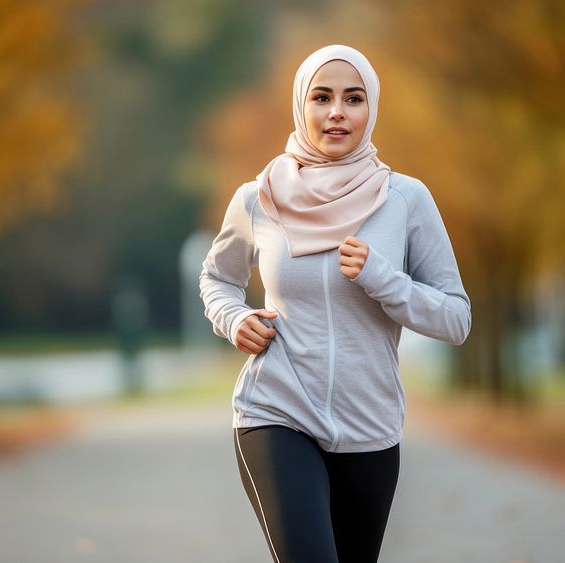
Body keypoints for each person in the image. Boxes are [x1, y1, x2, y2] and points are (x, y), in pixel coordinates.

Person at [198, 44, 471, 563]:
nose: (337, 112)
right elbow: (217, 277)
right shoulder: (258, 198)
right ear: (302, 106)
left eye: (354, 98)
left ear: (372, 111)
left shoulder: (405, 199)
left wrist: (383, 278)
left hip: (369, 426)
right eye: (322, 97)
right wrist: (233, 319)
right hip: (276, 410)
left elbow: (456, 317)